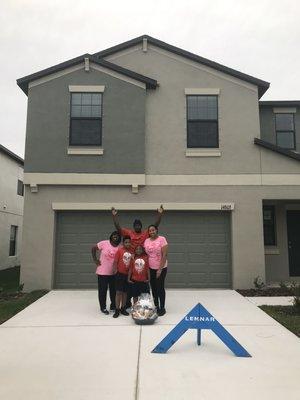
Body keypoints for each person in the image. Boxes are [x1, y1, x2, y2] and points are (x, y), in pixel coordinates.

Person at [91, 231, 121, 315]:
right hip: (102, 272)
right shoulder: (104, 243)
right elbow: (93, 248)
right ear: (111, 236)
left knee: (113, 291)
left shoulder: (119, 247)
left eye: (117, 236)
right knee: (102, 291)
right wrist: (95, 260)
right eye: (114, 236)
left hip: (114, 273)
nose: (115, 237)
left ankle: (113, 305)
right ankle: (103, 307)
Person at [144, 225, 168, 316]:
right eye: (150, 231)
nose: (151, 232)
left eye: (153, 230)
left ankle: (162, 307)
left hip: (161, 268)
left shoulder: (162, 239)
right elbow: (146, 254)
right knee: (153, 288)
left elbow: (165, 255)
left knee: (160, 287)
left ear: (156, 230)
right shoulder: (146, 241)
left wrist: (160, 269)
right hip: (151, 268)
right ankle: (157, 306)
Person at [112, 236, 133, 318]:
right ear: (123, 243)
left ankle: (123, 308)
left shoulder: (132, 252)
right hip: (119, 274)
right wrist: (115, 271)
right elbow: (115, 261)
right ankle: (117, 309)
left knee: (125, 292)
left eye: (129, 242)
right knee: (118, 292)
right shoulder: (119, 250)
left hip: (127, 275)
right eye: (126, 242)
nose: (128, 244)